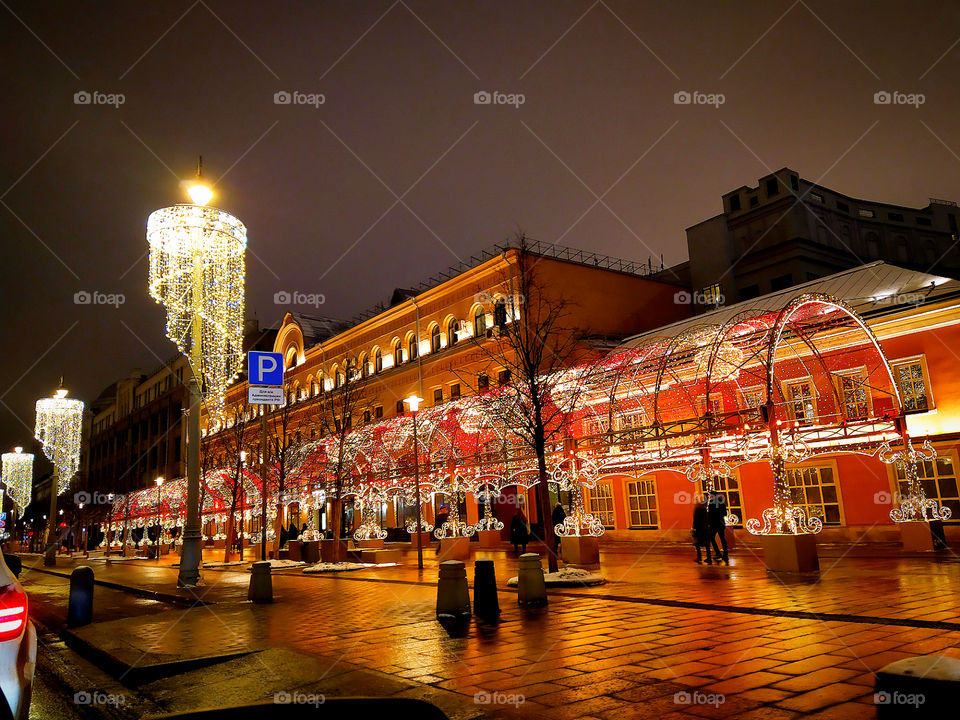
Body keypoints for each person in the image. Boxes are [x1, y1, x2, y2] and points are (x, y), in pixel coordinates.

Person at [706, 490, 729, 564]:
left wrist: (708, 522)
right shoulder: (721, 503)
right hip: (721, 523)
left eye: (710, 495)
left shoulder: (711, 503)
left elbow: (710, 514)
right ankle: (725, 554)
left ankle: (718, 553)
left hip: (714, 523)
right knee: (723, 538)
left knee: (711, 538)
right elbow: (725, 513)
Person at [692, 499, 712, 564]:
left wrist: (694, 527)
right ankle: (709, 558)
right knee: (707, 545)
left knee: (697, 544)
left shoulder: (697, 510)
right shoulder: (704, 509)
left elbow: (695, 519)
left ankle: (699, 557)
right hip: (705, 528)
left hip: (699, 529)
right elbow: (708, 518)